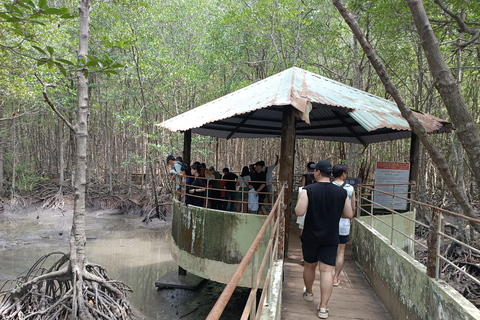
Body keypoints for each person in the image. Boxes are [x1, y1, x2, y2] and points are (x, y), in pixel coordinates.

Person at [295, 160, 353, 319]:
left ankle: (308, 293)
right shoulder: (341, 192)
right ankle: (323, 308)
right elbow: (348, 214)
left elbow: (299, 212)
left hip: (311, 235)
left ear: (318, 172)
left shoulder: (308, 190)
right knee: (327, 271)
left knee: (309, 265)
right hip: (331, 236)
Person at [332, 164, 356, 287]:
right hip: (344, 224)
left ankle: (326, 274)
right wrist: (349, 217)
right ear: (343, 174)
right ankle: (335, 278)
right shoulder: (350, 189)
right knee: (340, 252)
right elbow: (353, 208)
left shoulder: (329, 187)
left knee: (328, 249)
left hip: (329, 223)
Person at [297, 162, 316, 236]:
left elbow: (302, 185)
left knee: (302, 223)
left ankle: (302, 236)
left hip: (304, 196)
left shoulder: (305, 177)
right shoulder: (316, 176)